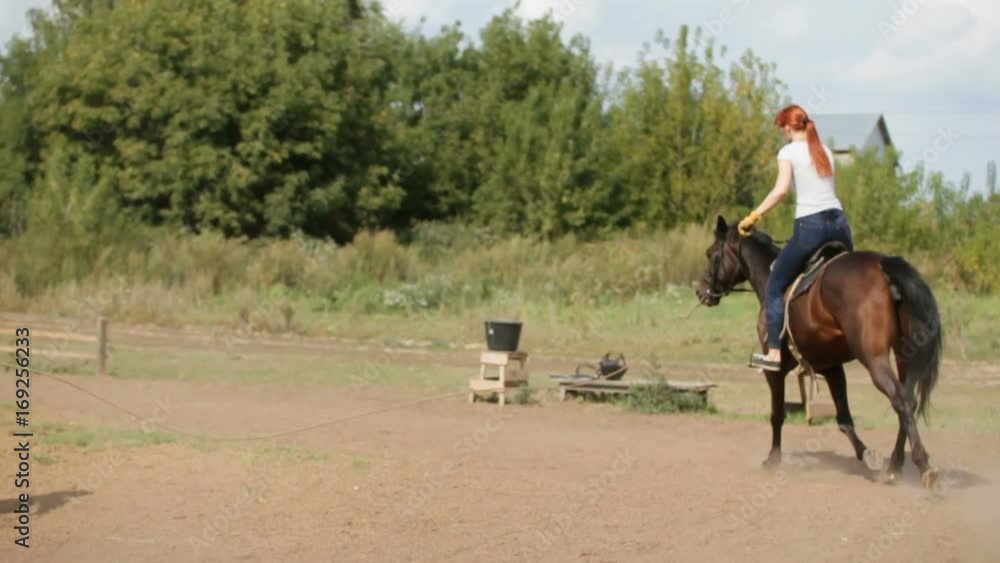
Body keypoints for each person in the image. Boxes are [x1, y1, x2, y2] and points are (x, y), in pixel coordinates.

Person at [738, 104, 855, 371]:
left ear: (788, 127)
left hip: (811, 227)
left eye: (782, 129)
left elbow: (780, 191)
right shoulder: (824, 150)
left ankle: (775, 353)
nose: (783, 134)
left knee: (775, 284)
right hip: (839, 225)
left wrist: (753, 217)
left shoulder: (788, 152)